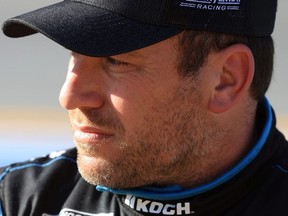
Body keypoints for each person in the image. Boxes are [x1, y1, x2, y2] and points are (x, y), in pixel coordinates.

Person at [0, 0, 287, 215]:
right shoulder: (16, 199)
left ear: (226, 79)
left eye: (116, 61)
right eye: (74, 56)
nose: (69, 96)